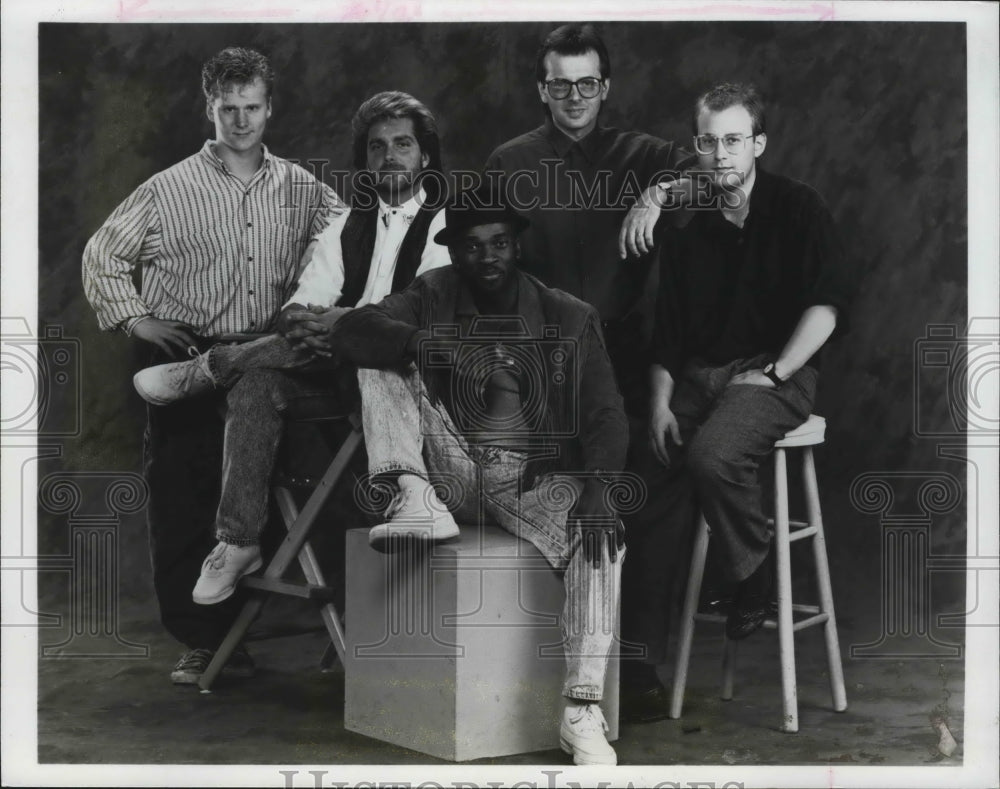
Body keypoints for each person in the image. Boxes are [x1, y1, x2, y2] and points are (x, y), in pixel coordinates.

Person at [326, 186, 628, 766]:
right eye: (471, 246)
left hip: (528, 480)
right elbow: (351, 331)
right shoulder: (433, 293)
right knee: (377, 356)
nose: (486, 256)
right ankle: (411, 494)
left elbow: (606, 411)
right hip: (446, 468)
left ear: (516, 246)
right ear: (454, 254)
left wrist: (599, 487)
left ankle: (580, 710)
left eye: (498, 243)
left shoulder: (567, 314)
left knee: (602, 541)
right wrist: (423, 341)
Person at [81, 47, 344, 685]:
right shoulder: (168, 188)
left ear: (269, 106)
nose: (241, 120)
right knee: (184, 498)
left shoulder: (305, 188)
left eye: (252, 106)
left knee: (317, 488)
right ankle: (206, 643)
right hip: (184, 350)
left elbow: (350, 239)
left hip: (272, 356)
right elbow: (101, 254)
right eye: (228, 108)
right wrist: (135, 319)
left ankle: (343, 636)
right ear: (210, 107)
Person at [129, 92, 451, 608]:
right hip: (327, 369)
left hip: (399, 377)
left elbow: (418, 311)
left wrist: (344, 323)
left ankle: (207, 369)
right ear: (365, 159)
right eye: (377, 147)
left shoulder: (446, 220)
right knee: (258, 384)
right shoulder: (347, 224)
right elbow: (301, 304)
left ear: (425, 157)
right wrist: (313, 323)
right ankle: (238, 541)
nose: (389, 156)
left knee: (365, 331)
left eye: (403, 145)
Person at [625, 82, 854, 718]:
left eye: (733, 140)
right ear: (696, 146)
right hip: (701, 377)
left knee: (714, 454)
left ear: (757, 143)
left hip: (780, 371)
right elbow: (667, 336)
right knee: (643, 478)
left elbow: (828, 303)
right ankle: (639, 665)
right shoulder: (687, 228)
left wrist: (778, 373)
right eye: (708, 141)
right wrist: (660, 403)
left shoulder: (797, 207)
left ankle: (751, 575)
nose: (721, 154)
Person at [484, 22, 691, 420]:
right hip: (535, 356)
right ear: (543, 90)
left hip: (624, 357)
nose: (575, 97)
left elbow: (721, 181)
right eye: (561, 85)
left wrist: (659, 192)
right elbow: (483, 263)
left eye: (588, 84)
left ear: (605, 87)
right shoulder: (507, 163)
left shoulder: (645, 156)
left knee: (624, 476)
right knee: (537, 477)